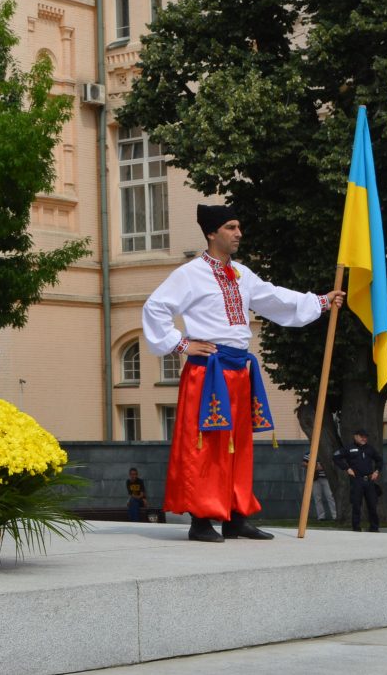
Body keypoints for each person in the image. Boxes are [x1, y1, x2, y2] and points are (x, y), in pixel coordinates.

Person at [141, 204, 342, 543]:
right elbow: (155, 307)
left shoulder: (242, 274)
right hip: (209, 371)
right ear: (212, 233)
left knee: (239, 444)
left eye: (238, 227)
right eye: (231, 227)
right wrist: (181, 345)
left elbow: (274, 299)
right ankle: (201, 520)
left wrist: (321, 302)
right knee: (206, 443)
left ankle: (236, 516)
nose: (238, 233)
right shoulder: (190, 273)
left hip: (239, 370)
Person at [338, 428, 383, 532]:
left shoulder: (370, 449)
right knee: (356, 505)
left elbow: (379, 460)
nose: (364, 438)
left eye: (365, 437)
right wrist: (347, 468)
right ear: (355, 436)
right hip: (357, 480)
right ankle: (356, 527)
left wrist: (376, 471)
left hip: (369, 480)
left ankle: (374, 527)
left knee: (372, 504)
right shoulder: (349, 448)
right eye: (361, 436)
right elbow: (336, 457)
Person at [301, 453, 337, 522]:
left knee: (330, 497)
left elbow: (332, 463)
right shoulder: (309, 453)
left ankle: (335, 516)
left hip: (326, 478)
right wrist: (315, 466)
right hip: (314, 478)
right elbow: (304, 463)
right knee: (317, 498)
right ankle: (321, 516)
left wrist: (323, 466)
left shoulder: (327, 452)